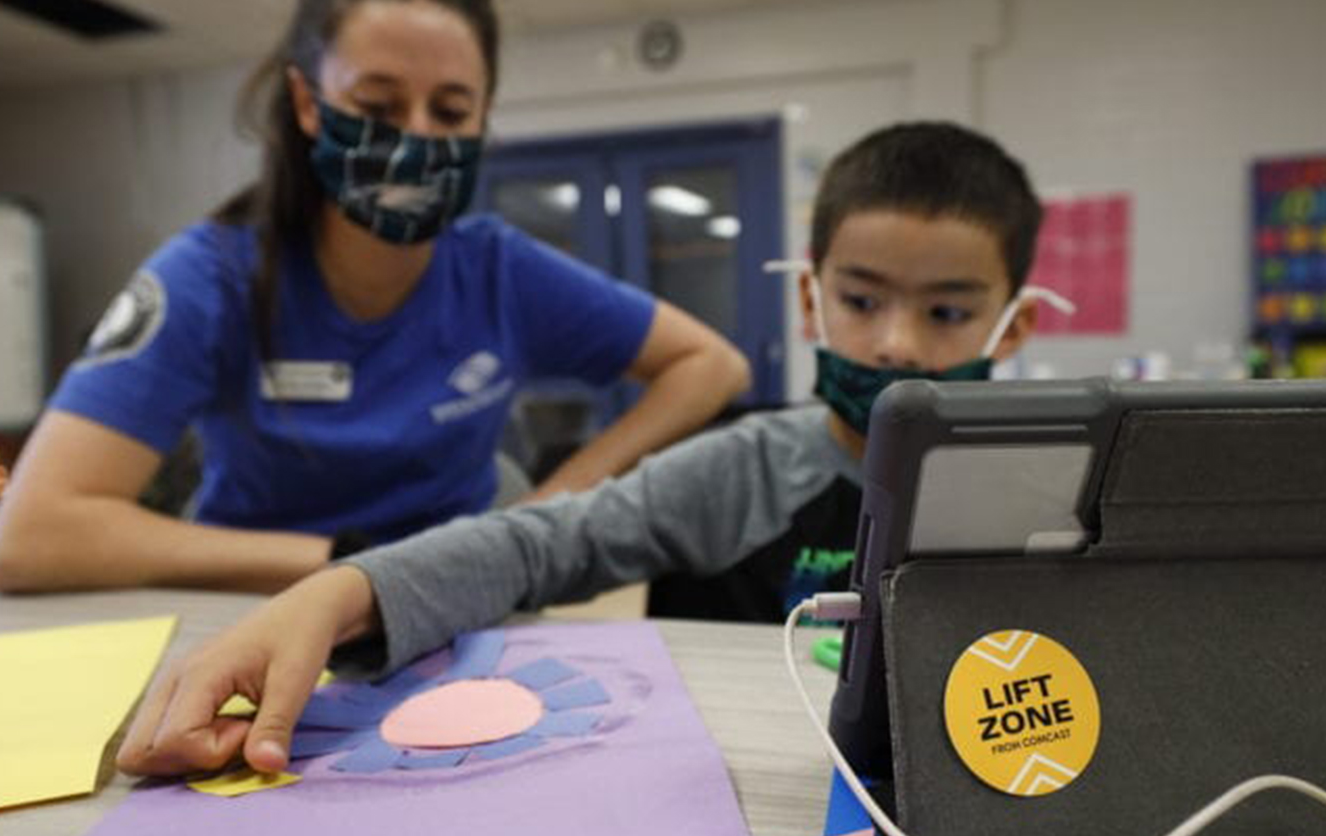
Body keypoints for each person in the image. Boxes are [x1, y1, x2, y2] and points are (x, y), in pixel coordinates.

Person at [116, 120, 1055, 777]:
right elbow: (542, 544)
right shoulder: (745, 469)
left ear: (1010, 327)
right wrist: (341, 591)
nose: (896, 342)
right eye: (861, 299)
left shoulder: (1051, 485)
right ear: (810, 301)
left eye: (946, 311)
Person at [0, 0, 750, 595]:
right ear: (309, 104)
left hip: (451, 604)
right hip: (256, 607)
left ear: (484, 117)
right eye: (378, 107)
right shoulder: (212, 277)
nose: (416, 139)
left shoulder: (500, 271)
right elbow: (28, 539)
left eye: (450, 112)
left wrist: (542, 513)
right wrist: (348, 569)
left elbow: (711, 364)